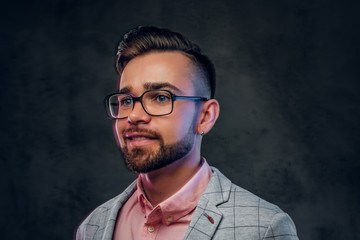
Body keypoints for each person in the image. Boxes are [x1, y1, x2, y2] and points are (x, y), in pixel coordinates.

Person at [75, 26, 298, 240]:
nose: (134, 116)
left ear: (205, 116)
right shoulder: (94, 226)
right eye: (126, 101)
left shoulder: (264, 227)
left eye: (161, 97)